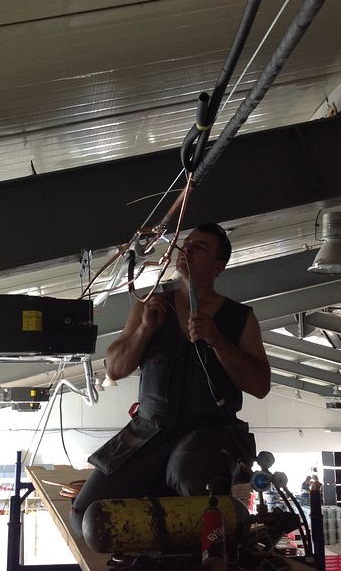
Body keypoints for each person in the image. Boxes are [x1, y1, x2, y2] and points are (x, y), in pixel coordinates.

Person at [70, 223, 271, 536]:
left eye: (200, 247)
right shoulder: (150, 305)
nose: (187, 248)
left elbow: (260, 386)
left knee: (194, 486)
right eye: (186, 243)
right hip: (148, 432)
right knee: (85, 516)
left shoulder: (240, 318)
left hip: (208, 434)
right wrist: (144, 330)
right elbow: (115, 369)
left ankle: (204, 552)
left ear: (218, 267)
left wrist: (217, 340)